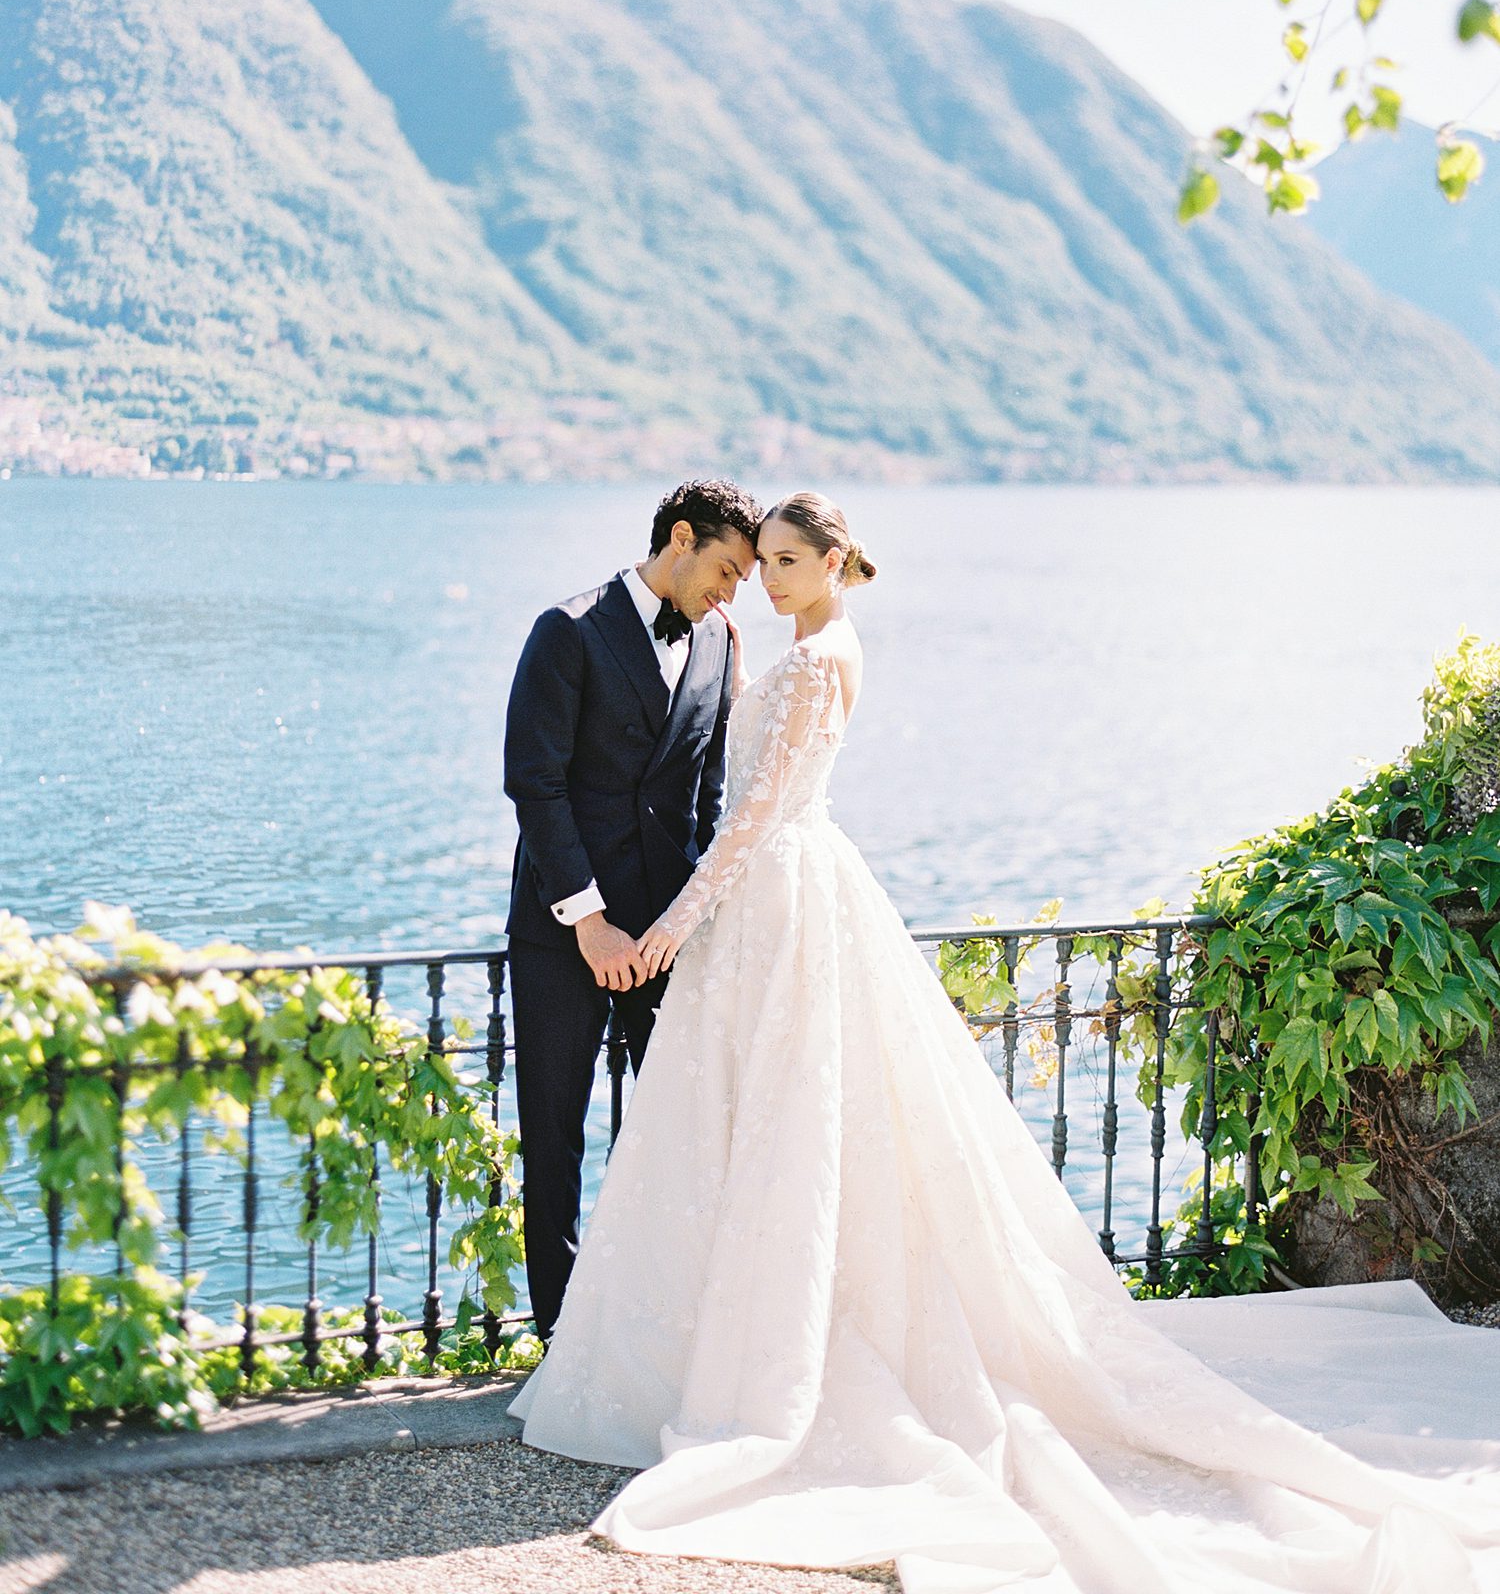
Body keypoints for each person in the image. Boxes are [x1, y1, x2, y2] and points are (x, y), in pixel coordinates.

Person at [513, 489, 1500, 1593]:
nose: (763, 581)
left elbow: (745, 815)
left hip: (752, 907)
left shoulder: (808, 653)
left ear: (833, 562)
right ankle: (634, 1344)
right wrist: (633, 921)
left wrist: (672, 926)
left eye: (784, 562)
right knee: (693, 1131)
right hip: (694, 923)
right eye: (755, 563)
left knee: (793, 1129)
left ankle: (766, 1360)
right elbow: (563, 784)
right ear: (688, 545)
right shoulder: (655, 634)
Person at [502, 477, 759, 1342]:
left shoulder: (722, 642)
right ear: (679, 538)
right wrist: (590, 922)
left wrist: (687, 923)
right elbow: (533, 785)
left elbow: (709, 796)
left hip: (667, 940)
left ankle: (674, 1327)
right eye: (725, 570)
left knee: (685, 1132)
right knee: (555, 1137)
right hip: (563, 932)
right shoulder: (566, 631)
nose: (730, 594)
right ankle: (562, 1338)